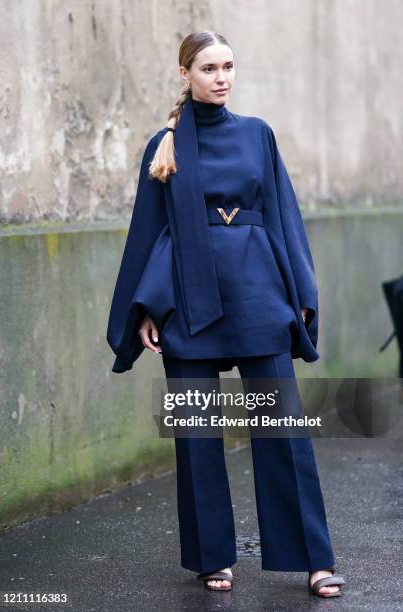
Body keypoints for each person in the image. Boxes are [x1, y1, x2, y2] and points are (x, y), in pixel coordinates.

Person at [107, 30, 346, 598]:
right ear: (185, 74)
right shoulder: (164, 146)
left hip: (260, 295)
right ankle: (213, 556)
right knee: (197, 436)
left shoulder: (258, 135)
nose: (222, 78)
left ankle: (313, 559)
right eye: (209, 68)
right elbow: (149, 233)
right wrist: (145, 308)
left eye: (229, 67)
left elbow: (283, 212)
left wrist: (302, 291)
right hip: (189, 302)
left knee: (282, 430)